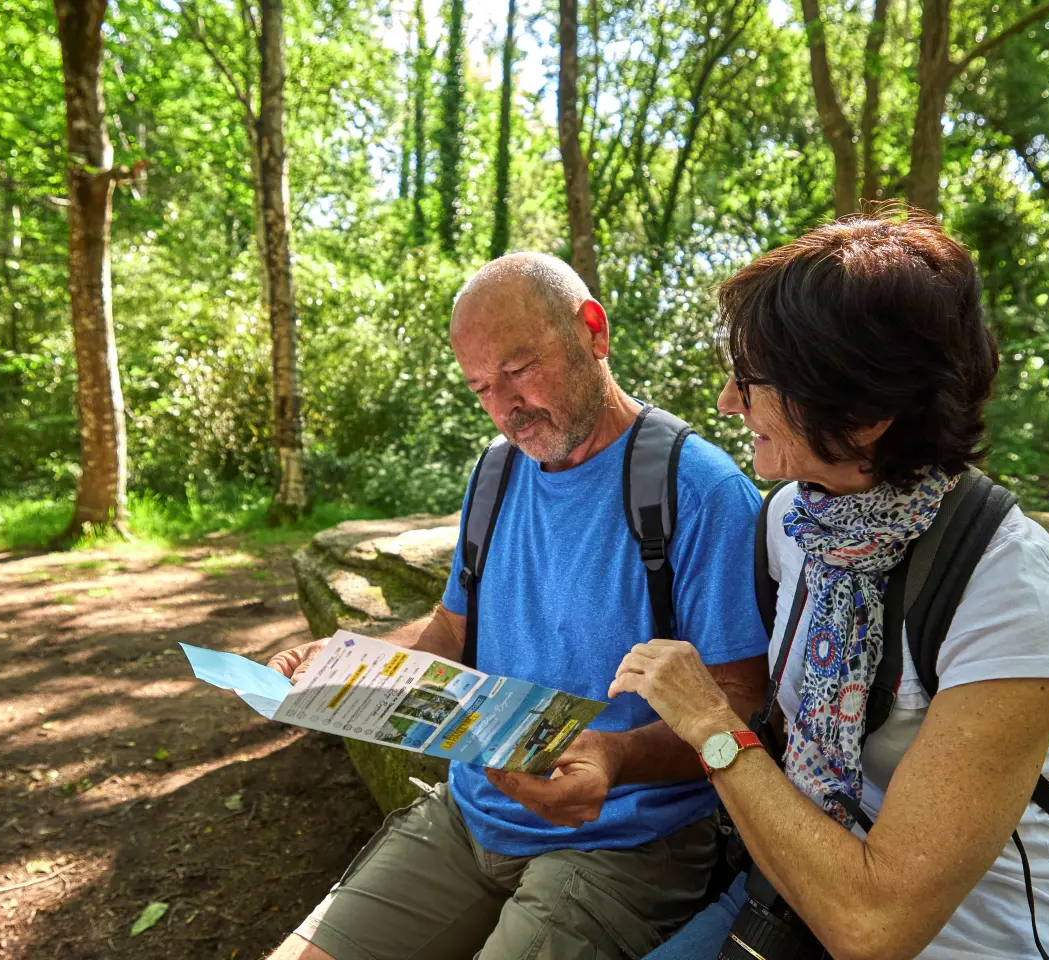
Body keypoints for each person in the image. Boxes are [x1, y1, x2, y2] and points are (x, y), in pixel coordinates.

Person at [609, 213, 1049, 960]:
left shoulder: (1011, 594)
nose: (725, 403)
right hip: (790, 897)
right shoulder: (793, 522)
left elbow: (874, 928)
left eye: (752, 382)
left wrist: (710, 724)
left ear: (866, 413)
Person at [263, 252, 771, 960]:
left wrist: (616, 757)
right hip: (473, 813)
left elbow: (744, 704)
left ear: (592, 331)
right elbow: (452, 626)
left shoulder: (699, 490)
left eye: (520, 369)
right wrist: (353, 667)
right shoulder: (497, 472)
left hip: (626, 840)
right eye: (480, 388)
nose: (506, 407)